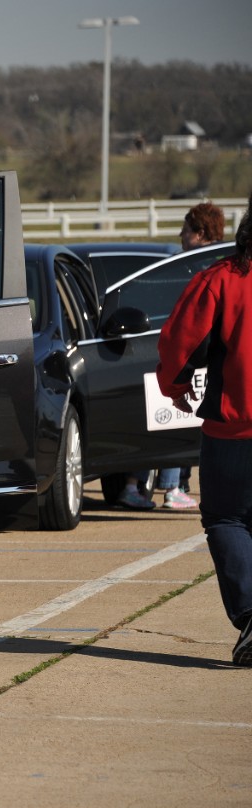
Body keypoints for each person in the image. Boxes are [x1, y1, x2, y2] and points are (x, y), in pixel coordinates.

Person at [157, 190, 252, 666]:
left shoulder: (220, 279)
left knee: (227, 518)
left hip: (232, 427)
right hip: (231, 426)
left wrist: (175, 387)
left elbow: (178, 340)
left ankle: (251, 615)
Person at [118, 202, 227, 511]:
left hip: (175, 354)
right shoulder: (211, 270)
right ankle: (166, 486)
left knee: (166, 420)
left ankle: (165, 485)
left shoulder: (195, 270)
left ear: (201, 233)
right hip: (183, 357)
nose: (181, 235)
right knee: (169, 420)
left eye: (186, 230)